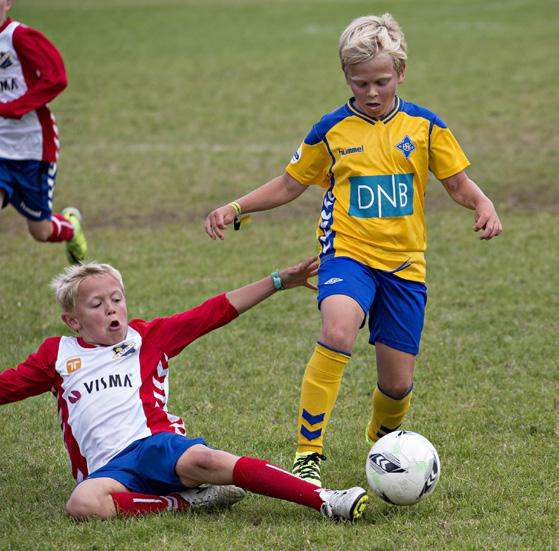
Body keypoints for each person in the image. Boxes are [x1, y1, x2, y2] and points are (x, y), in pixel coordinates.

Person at [204, 13, 502, 487]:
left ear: (400, 73)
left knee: (397, 383)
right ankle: (308, 453)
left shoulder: (425, 126)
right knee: (338, 328)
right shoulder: (331, 131)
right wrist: (238, 206)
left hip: (405, 266)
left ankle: (383, 440)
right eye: (360, 82)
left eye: (381, 81)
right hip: (348, 255)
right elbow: (289, 184)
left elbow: (458, 183)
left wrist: (482, 204)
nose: (371, 92)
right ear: (346, 77)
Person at [0, 258, 368, 521]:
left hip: (154, 444)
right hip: (106, 469)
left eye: (117, 298)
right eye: (97, 304)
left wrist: (275, 281)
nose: (112, 308)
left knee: (207, 460)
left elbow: (213, 312)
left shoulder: (148, 337)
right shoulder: (57, 355)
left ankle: (326, 499)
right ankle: (188, 502)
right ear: (73, 321)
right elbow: (8, 386)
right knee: (82, 504)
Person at [0, 0, 86, 263]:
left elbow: (56, 77)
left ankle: (71, 227)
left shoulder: (20, 37)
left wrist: (15, 107)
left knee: (41, 230)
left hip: (32, 148)